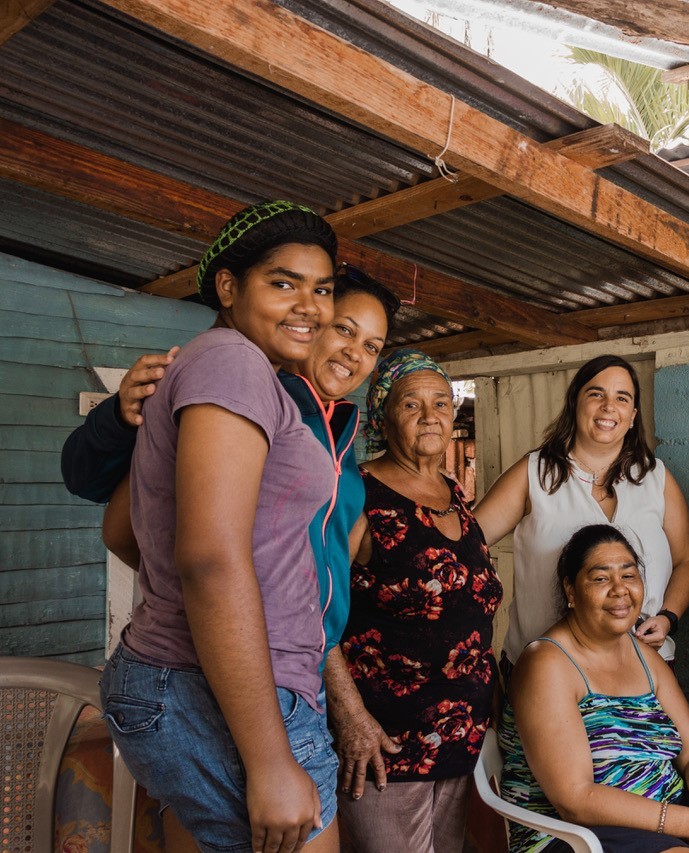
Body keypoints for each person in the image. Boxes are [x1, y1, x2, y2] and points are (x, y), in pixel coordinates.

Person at [96, 200, 342, 853]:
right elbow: (207, 559)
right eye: (283, 282)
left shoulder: (225, 370)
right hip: (230, 688)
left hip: (198, 679)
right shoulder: (232, 363)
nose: (310, 305)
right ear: (228, 287)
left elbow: (124, 530)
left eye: (323, 288)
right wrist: (268, 761)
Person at [67, 265, 399, 678]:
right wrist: (216, 605)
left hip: (305, 663)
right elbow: (120, 532)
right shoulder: (244, 398)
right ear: (311, 326)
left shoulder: (344, 438)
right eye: (345, 330)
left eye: (372, 346)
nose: (356, 352)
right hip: (244, 657)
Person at [500, 524, 689, 853]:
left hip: (674, 811)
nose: (620, 590)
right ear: (571, 591)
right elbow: (576, 799)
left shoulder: (646, 658)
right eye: (601, 578)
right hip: (580, 834)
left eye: (629, 575)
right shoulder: (546, 663)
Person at [324, 349, 503, 853]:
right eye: (411, 405)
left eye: (442, 403)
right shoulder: (357, 491)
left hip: (459, 737)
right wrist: (351, 718)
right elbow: (312, 612)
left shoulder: (454, 492)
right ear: (382, 417)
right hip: (383, 742)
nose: (431, 416)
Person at [475, 354, 689, 665]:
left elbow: (688, 559)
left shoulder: (655, 477)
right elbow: (464, 547)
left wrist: (667, 618)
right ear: (574, 403)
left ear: (633, 415)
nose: (609, 406)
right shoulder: (534, 474)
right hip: (548, 670)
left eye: (621, 398)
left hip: (641, 667)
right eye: (596, 394)